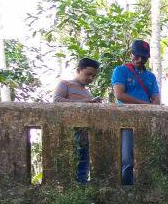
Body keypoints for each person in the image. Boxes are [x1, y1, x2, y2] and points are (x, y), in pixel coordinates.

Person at [110, 40, 161, 185]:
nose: (139, 60)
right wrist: (146, 105)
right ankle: (127, 190)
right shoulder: (121, 71)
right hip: (126, 119)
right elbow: (120, 95)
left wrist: (150, 107)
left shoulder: (150, 77)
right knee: (127, 158)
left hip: (147, 120)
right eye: (137, 56)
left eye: (143, 57)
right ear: (131, 54)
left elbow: (156, 101)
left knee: (148, 156)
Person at [53, 58, 101, 183]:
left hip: (85, 133)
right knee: (70, 162)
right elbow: (57, 100)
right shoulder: (65, 84)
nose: (91, 78)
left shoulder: (87, 92)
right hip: (70, 132)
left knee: (83, 164)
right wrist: (87, 103)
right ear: (78, 70)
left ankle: (81, 189)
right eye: (88, 74)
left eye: (93, 76)